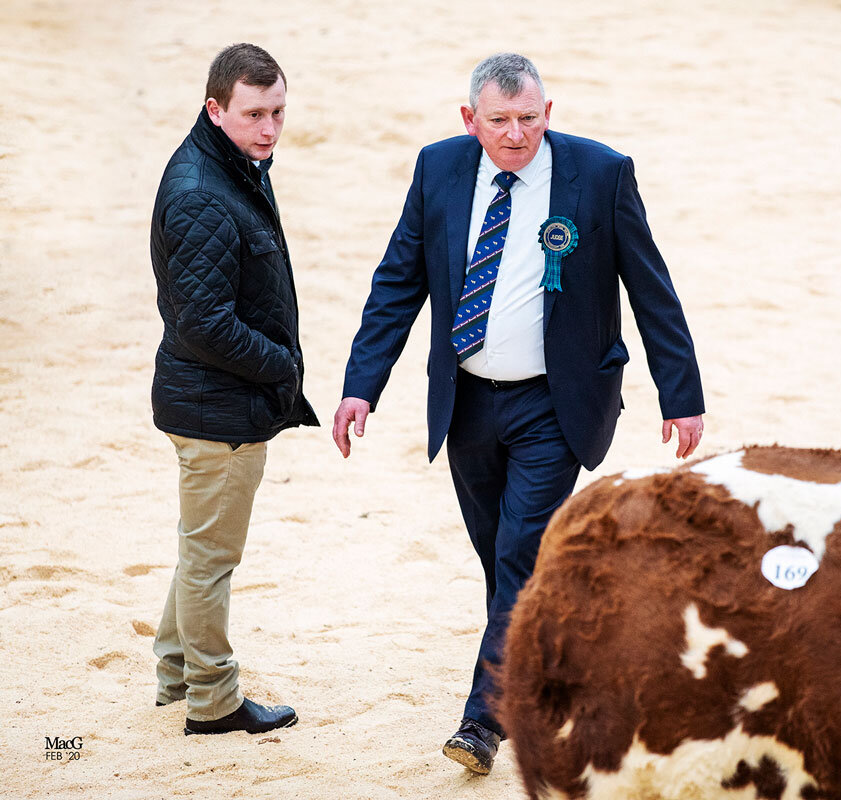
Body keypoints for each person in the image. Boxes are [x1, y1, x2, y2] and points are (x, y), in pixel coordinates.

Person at [332, 53, 704, 774]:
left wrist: (680, 394)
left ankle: (484, 720)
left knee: (516, 553)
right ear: (469, 119)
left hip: (554, 402)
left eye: (529, 119)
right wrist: (361, 385)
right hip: (466, 400)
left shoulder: (599, 173)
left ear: (549, 113)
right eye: (499, 121)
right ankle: (551, 662)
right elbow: (396, 283)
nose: (515, 136)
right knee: (502, 563)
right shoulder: (438, 170)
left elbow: (651, 287)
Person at [149, 43, 318, 736]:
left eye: (278, 111)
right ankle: (213, 700)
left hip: (216, 399)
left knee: (201, 546)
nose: (270, 128)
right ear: (214, 109)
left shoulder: (231, 165)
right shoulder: (200, 194)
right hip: (218, 407)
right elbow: (203, 322)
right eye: (254, 114)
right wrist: (280, 365)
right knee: (213, 558)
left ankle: (173, 671)